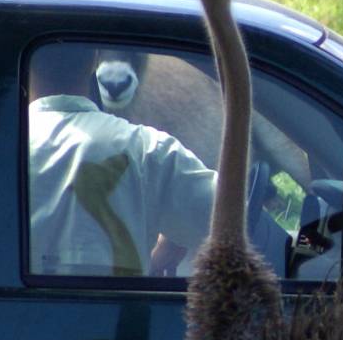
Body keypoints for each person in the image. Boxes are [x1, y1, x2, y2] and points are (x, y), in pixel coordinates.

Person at [26, 44, 215, 277]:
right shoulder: (148, 149)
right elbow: (229, 215)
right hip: (120, 312)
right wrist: (172, 241)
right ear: (94, 59)